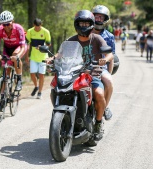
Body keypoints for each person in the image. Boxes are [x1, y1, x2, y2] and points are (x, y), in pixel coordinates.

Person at [47, 10, 113, 140]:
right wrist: (52, 58)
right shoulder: (71, 40)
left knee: (99, 94)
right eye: (81, 23)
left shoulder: (97, 38)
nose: (83, 26)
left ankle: (98, 124)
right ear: (76, 24)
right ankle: (64, 116)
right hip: (74, 74)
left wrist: (105, 59)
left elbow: (109, 53)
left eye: (86, 23)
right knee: (54, 90)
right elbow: (60, 54)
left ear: (92, 24)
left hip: (93, 73)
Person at [0, 10, 27, 111]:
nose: (6, 26)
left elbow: (22, 46)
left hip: (19, 47)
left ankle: (19, 79)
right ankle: (3, 97)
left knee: (15, 55)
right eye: (4, 25)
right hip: (7, 48)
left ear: (12, 21)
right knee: (5, 73)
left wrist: (18, 56)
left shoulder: (19, 28)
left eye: (8, 24)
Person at [91, 5, 115, 121]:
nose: (98, 19)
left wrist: (109, 72)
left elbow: (111, 56)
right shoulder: (85, 32)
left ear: (105, 19)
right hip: (83, 66)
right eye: (96, 16)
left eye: (101, 17)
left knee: (109, 81)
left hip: (101, 67)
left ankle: (105, 106)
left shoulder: (109, 36)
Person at [26, 18, 51, 99]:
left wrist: (42, 47)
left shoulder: (45, 32)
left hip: (43, 57)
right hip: (33, 56)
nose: (37, 28)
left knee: (41, 75)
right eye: (36, 27)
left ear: (41, 25)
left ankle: (40, 92)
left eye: (39, 26)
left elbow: (48, 44)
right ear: (34, 25)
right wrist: (27, 56)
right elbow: (27, 44)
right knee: (32, 74)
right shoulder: (30, 31)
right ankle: (36, 86)